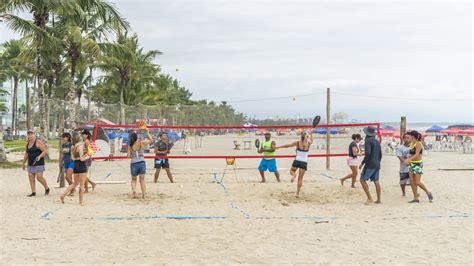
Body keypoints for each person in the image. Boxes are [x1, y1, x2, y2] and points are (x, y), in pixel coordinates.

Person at [276, 130, 313, 198]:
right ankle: (297, 193)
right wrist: (312, 133)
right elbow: (312, 140)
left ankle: (294, 174)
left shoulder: (298, 143)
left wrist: (278, 147)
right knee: (300, 178)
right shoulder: (308, 143)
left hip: (297, 160)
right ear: (306, 136)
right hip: (304, 162)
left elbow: (288, 145)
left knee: (291, 171)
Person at [60, 132, 90, 205]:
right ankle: (81, 202)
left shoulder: (72, 147)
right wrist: (89, 155)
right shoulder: (80, 147)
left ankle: (63, 195)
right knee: (81, 185)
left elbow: (73, 158)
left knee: (75, 183)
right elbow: (82, 159)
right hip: (82, 165)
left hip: (75, 165)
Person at [405, 130, 433, 203]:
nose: (409, 137)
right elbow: (411, 154)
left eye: (410, 136)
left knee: (417, 182)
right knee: (412, 182)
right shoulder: (411, 143)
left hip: (417, 164)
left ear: (413, 136)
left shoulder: (418, 143)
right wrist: (407, 160)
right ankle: (416, 198)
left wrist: (409, 159)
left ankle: (428, 193)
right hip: (412, 164)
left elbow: (417, 154)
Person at [22, 129, 50, 197]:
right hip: (31, 163)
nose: (30, 135)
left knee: (39, 177)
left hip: (39, 162)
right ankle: (33, 192)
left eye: (31, 134)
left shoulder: (38, 142)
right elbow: (27, 154)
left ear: (34, 134)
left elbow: (44, 151)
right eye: (29, 134)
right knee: (31, 176)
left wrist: (40, 156)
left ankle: (47, 188)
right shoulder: (28, 144)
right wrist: (23, 163)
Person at [359, 126, 382, 205]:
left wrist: (362, 163)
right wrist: (378, 162)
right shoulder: (377, 141)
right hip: (377, 163)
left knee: (362, 180)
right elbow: (380, 154)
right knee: (376, 181)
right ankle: (378, 199)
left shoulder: (368, 141)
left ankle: (369, 198)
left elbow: (368, 153)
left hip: (370, 163)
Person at [128, 129, 153, 199]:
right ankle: (144, 194)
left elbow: (128, 156)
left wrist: (132, 154)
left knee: (133, 179)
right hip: (141, 162)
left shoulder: (130, 146)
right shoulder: (141, 142)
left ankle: (134, 191)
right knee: (142, 180)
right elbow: (151, 140)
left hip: (134, 163)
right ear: (136, 137)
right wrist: (147, 133)